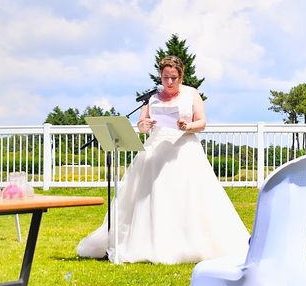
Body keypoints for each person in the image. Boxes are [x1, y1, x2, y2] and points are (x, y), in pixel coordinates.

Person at [77, 55, 250, 264]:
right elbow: (141, 124)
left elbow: (202, 122)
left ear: (181, 76)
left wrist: (188, 126)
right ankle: (144, 241)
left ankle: (188, 242)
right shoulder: (152, 97)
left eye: (174, 78)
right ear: (160, 76)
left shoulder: (191, 94)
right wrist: (145, 125)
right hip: (155, 149)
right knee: (149, 195)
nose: (169, 82)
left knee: (187, 195)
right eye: (165, 78)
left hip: (184, 149)